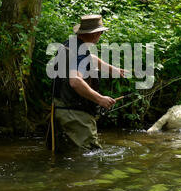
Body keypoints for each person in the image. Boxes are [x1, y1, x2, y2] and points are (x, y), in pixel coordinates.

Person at [47, 14, 126, 151]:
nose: (101, 35)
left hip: (60, 108)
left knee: (64, 154)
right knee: (90, 155)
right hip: (73, 112)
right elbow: (75, 81)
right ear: (94, 33)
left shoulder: (71, 44)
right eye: (100, 32)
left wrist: (112, 69)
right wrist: (100, 99)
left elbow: (91, 59)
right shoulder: (78, 50)